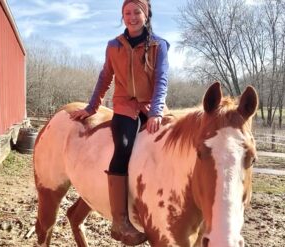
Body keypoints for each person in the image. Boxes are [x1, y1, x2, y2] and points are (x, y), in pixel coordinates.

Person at [70, 0, 169, 245]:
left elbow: (161, 80)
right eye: (127, 12)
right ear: (122, 16)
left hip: (151, 107)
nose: (132, 17)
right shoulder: (114, 46)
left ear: (146, 15)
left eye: (137, 12)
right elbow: (105, 77)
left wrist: (156, 112)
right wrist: (91, 108)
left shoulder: (159, 45)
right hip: (125, 107)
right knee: (123, 147)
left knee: (172, 147)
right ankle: (121, 221)